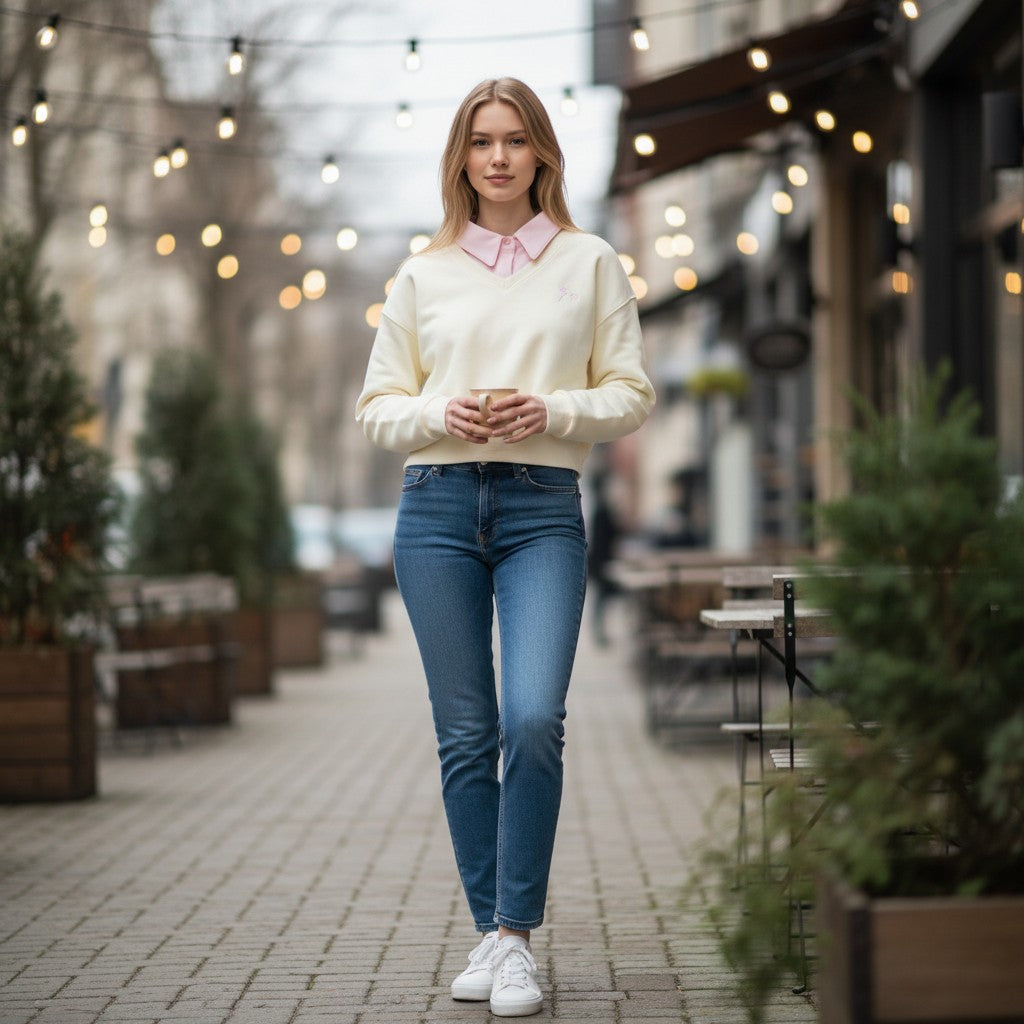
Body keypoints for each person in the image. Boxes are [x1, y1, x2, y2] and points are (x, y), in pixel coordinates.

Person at [355, 77, 655, 1018]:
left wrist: (555, 408)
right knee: (465, 735)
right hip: (435, 507)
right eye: (480, 141)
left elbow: (633, 392)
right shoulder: (423, 272)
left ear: (541, 155)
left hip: (541, 507)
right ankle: (496, 929)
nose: (496, 157)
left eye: (514, 140)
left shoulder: (590, 259)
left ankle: (515, 938)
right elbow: (375, 408)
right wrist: (437, 411)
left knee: (532, 718)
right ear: (461, 157)